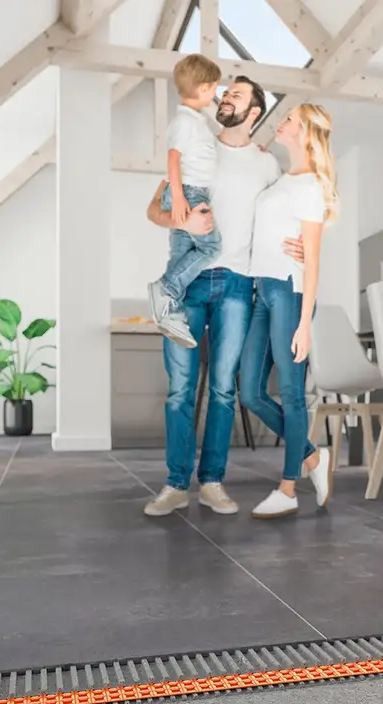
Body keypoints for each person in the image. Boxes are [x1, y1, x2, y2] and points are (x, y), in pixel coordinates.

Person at [140, 76, 303, 518]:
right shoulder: (197, 148)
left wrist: (303, 247)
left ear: (254, 113)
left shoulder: (267, 165)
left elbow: (290, 215)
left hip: (238, 284)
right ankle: (176, 485)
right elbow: (154, 209)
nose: (225, 98)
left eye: (236, 95)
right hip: (188, 284)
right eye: (225, 92)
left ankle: (212, 483)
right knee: (180, 390)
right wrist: (183, 222)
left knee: (223, 391)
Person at [240, 104, 340, 519]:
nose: (280, 122)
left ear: (305, 131)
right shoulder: (283, 178)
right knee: (250, 391)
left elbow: (312, 261)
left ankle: (288, 488)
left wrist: (304, 324)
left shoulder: (312, 185)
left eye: (289, 120)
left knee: (293, 393)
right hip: (261, 292)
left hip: (289, 293)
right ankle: (313, 456)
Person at [147, 54, 223, 349]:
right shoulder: (185, 122)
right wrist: (179, 197)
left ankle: (171, 313)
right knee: (211, 247)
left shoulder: (194, 121)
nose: (215, 92)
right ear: (204, 88)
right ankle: (166, 288)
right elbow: (173, 158)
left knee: (181, 253)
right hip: (190, 191)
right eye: (214, 87)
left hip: (189, 190)